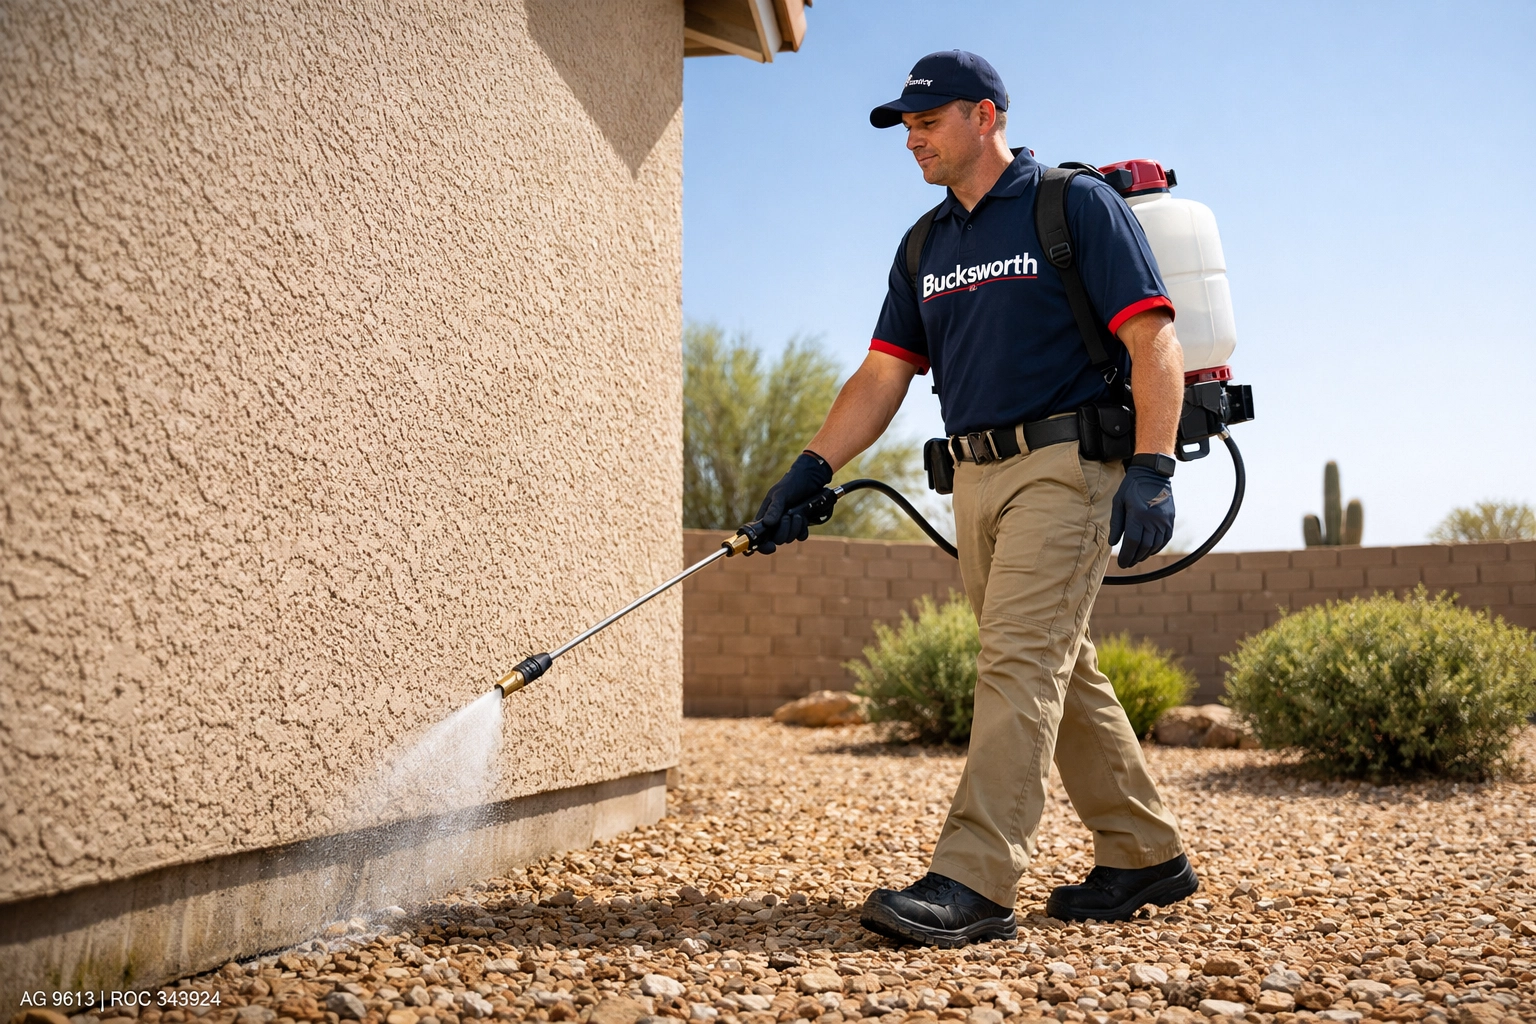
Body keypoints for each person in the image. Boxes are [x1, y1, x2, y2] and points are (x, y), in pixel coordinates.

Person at [751, 51, 1199, 947]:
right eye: (905, 126)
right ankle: (1145, 853)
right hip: (975, 475)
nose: (912, 138)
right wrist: (809, 468)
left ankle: (975, 879)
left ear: (985, 116)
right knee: (1054, 667)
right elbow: (884, 374)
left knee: (1017, 664)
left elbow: (1152, 339)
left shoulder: (1069, 205)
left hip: (1065, 468)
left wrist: (1152, 468)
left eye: (927, 121)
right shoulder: (924, 245)